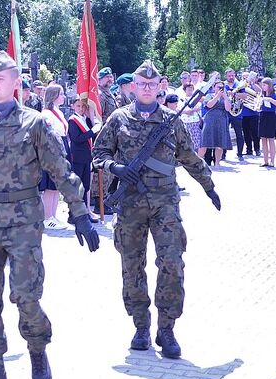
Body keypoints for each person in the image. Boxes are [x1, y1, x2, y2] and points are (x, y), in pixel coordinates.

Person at [0, 50, 99, 379]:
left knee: (26, 296)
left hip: (23, 224)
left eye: (0, 79)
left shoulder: (34, 124)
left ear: (15, 83)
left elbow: (60, 170)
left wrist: (80, 213)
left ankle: (37, 347)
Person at [92, 59, 220, 359]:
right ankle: (141, 326)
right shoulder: (119, 119)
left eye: (152, 84)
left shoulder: (171, 121)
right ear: (134, 87)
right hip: (130, 204)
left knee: (172, 263)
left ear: (159, 86)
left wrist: (209, 186)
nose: (147, 88)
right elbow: (99, 152)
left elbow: (190, 157)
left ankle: (167, 329)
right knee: (132, 266)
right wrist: (115, 167)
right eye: (142, 84)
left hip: (165, 204)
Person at [40, 85, 72, 229]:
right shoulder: (46, 114)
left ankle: (53, 215)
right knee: (50, 186)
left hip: (62, 146)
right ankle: (47, 217)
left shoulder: (57, 111)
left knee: (56, 185)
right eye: (61, 94)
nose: (64, 96)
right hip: (52, 149)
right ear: (53, 96)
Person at [68, 94, 102, 220]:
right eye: (78, 106)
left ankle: (84, 213)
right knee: (77, 186)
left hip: (87, 157)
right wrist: (92, 131)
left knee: (86, 185)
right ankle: (73, 215)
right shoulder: (72, 120)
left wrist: (95, 124)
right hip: (77, 157)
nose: (81, 108)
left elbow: (93, 136)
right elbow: (77, 139)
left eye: (83, 106)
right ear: (72, 106)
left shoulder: (86, 119)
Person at [198, 79, 231, 168]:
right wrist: (217, 96)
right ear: (214, 87)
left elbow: (228, 109)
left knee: (219, 143)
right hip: (210, 120)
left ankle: (217, 162)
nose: (220, 89)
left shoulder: (226, 97)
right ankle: (198, 162)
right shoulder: (209, 95)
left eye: (222, 87)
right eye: (218, 87)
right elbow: (209, 105)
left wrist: (225, 98)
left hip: (222, 120)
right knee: (205, 142)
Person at [256, 78, 276, 167]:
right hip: (262, 115)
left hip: (271, 116)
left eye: (264, 85)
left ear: (269, 85)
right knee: (263, 139)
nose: (262, 87)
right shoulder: (262, 94)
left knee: (271, 139)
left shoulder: (274, 93)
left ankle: (272, 161)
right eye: (262, 85)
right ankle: (265, 160)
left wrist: (270, 100)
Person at [223, 69, 245, 160]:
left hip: (237, 113)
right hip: (225, 113)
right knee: (224, 133)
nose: (231, 77)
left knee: (239, 133)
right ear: (226, 76)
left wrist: (234, 94)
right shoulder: (223, 85)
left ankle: (240, 154)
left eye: (232, 75)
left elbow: (245, 96)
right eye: (229, 76)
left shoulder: (239, 84)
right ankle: (223, 154)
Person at [240, 72, 261, 157]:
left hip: (254, 112)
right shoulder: (241, 86)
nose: (246, 79)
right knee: (246, 132)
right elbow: (236, 95)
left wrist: (252, 83)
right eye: (244, 77)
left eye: (247, 77)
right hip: (244, 112)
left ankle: (257, 149)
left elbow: (260, 92)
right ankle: (249, 149)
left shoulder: (254, 86)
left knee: (255, 132)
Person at [179, 84, 202, 150]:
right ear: (185, 90)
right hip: (185, 122)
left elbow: (198, 107)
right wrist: (187, 111)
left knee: (196, 141)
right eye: (188, 89)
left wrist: (192, 110)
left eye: (191, 89)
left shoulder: (196, 98)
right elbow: (179, 109)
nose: (190, 90)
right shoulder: (181, 98)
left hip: (195, 122)